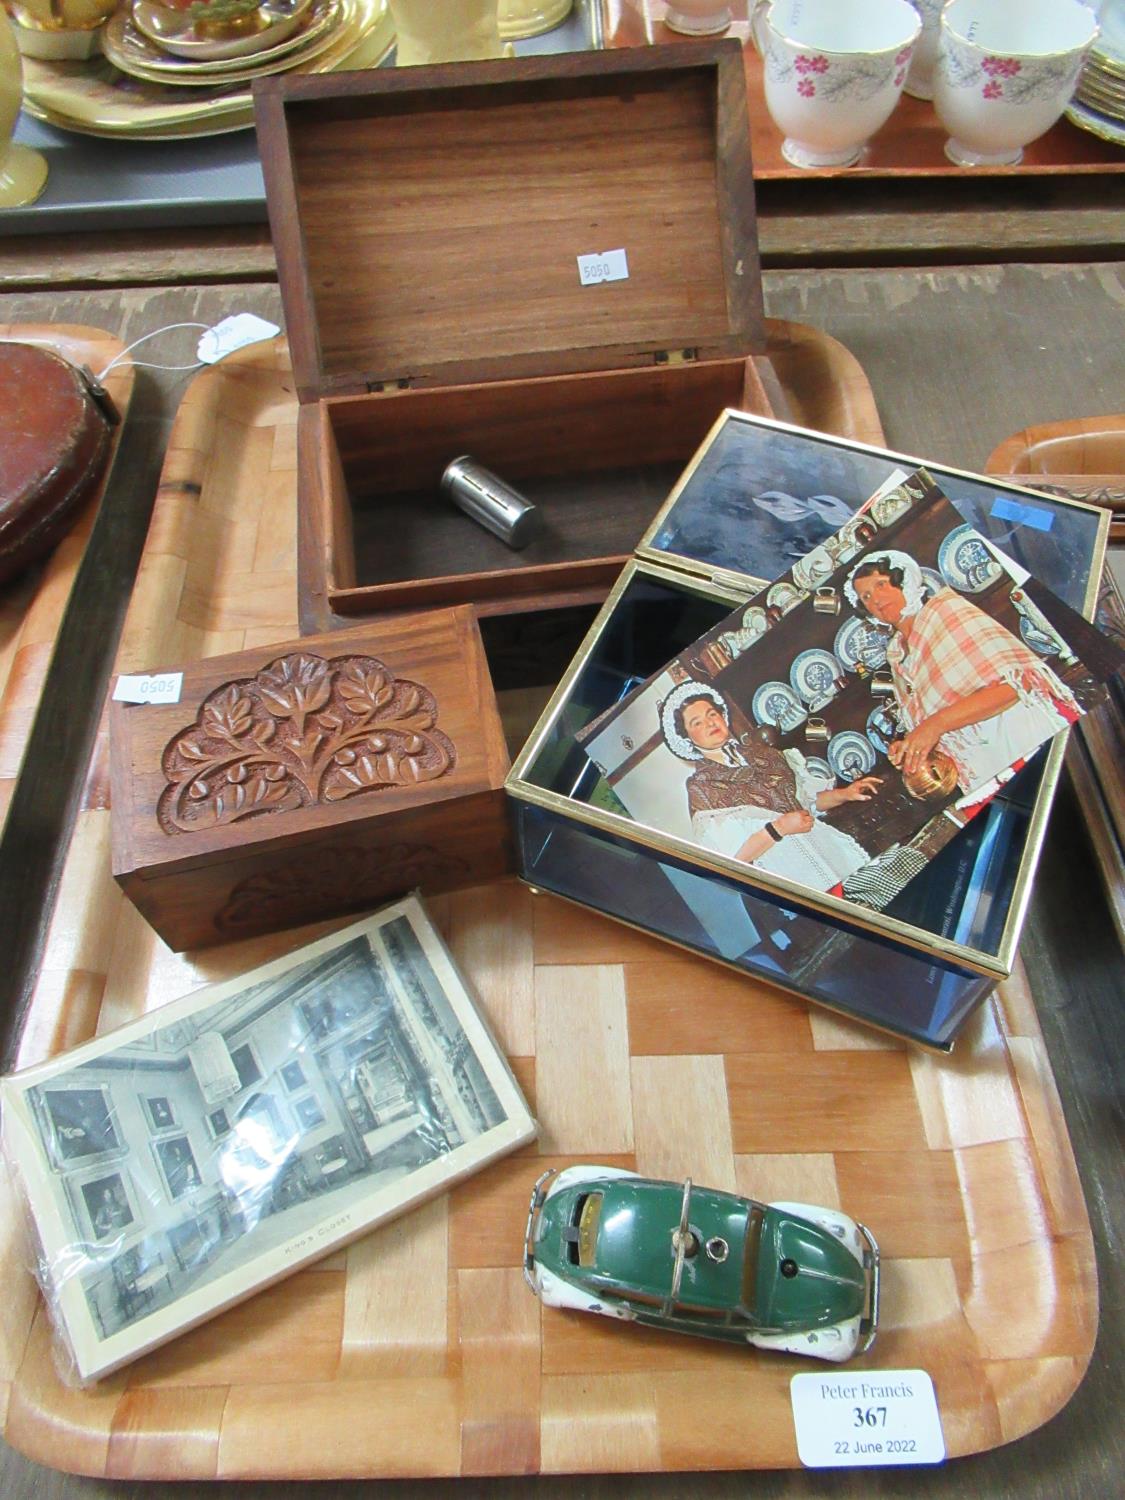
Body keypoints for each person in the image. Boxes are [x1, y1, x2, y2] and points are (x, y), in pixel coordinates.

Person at [846, 551, 1079, 794]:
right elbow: (937, 723)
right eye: (866, 596)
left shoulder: (946, 610)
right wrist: (911, 745)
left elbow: (1016, 686)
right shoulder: (896, 656)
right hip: (982, 764)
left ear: (903, 580)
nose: (876, 599)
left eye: (881, 584)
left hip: (1019, 736)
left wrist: (934, 726)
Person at [660, 682, 881, 893]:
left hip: (829, 852)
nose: (710, 723)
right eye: (696, 722)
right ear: (687, 739)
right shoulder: (702, 788)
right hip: (793, 876)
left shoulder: (764, 754)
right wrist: (779, 828)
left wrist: (845, 794)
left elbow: (806, 803)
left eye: (712, 714)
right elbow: (732, 862)